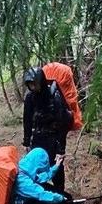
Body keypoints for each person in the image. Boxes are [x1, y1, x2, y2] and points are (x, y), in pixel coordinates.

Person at [4, 148, 95, 204]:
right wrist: (60, 198)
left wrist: (55, 167)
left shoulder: (23, 169)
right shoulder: (22, 180)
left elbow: (40, 179)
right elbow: (42, 195)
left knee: (47, 189)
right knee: (49, 201)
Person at [22, 64, 81, 193]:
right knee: (36, 168)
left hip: (53, 139)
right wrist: (27, 141)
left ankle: (60, 194)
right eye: (30, 84)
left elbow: (62, 123)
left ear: (40, 81)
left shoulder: (54, 96)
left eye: (34, 84)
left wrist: (61, 149)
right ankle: (42, 195)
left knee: (56, 168)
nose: (32, 87)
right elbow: (27, 120)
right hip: (37, 138)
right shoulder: (30, 98)